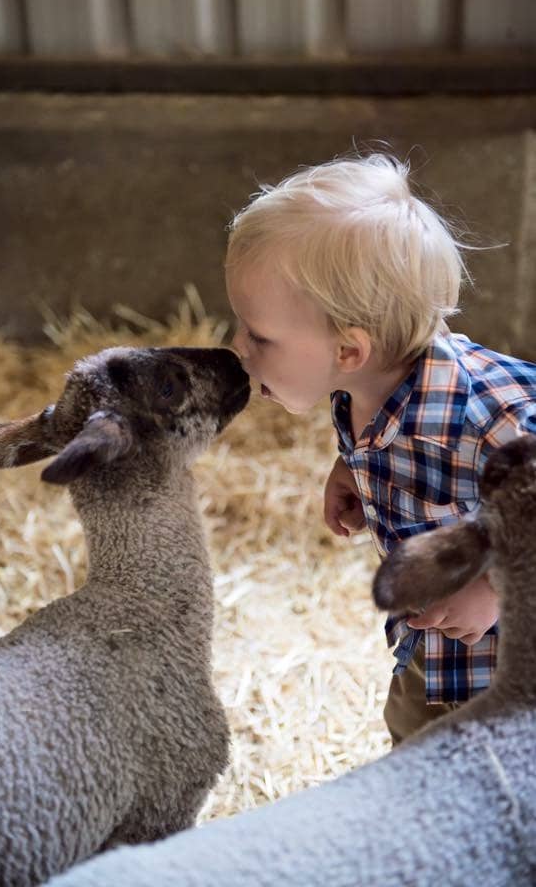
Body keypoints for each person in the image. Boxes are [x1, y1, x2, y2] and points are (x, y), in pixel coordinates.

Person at [225, 153, 536, 744]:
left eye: (258, 335)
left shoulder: (490, 418)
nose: (238, 347)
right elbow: (397, 444)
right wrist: (355, 468)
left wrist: (494, 587)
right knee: (411, 731)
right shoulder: (365, 390)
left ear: (348, 350)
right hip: (441, 652)